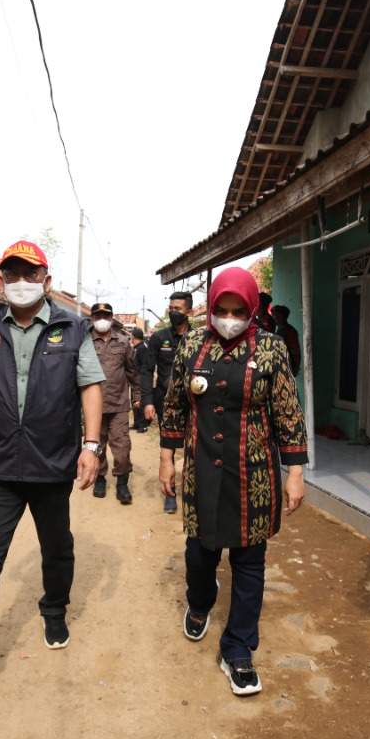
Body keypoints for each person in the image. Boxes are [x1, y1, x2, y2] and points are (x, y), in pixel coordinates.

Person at [0, 239, 105, 690]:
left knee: (56, 546)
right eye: (12, 275)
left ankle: (54, 610)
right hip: (0, 463)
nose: (21, 283)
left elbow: (89, 387)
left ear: (46, 280)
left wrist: (91, 446)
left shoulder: (73, 327)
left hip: (51, 462)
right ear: (2, 281)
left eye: (30, 274)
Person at [159, 267, 308, 696]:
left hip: (254, 473)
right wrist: (167, 459)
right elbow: (174, 405)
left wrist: (294, 473)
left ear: (251, 309)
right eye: (221, 310)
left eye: (237, 310)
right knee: (200, 553)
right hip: (202, 467)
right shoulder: (192, 344)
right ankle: (201, 601)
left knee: (249, 562)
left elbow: (287, 411)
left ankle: (238, 648)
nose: (228, 317)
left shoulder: (271, 348)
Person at [144, 291, 194, 513]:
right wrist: (147, 400)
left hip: (195, 403)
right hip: (165, 401)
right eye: (171, 308)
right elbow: (146, 370)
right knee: (168, 449)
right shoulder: (158, 338)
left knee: (196, 448)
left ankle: (195, 491)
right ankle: (170, 493)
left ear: (189, 312)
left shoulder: (199, 338)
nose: (173, 312)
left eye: (178, 309)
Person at [89, 303, 141, 504]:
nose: (102, 319)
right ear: (92, 318)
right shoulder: (85, 342)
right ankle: (100, 478)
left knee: (122, 446)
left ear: (111, 318)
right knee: (97, 445)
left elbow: (132, 371)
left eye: (106, 315)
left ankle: (122, 482)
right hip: (94, 406)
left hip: (119, 404)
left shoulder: (123, 342)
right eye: (98, 315)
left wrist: (137, 394)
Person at [131, 327, 152, 433]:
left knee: (141, 401)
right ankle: (137, 423)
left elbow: (145, 365)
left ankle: (143, 424)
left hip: (141, 378)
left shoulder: (142, 348)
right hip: (135, 378)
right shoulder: (136, 348)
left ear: (134, 338)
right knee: (135, 401)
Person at [270, 304, 301, 376]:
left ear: (281, 316)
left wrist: (295, 368)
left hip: (287, 367)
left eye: (275, 315)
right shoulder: (279, 330)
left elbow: (295, 351)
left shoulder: (289, 331)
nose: (274, 318)